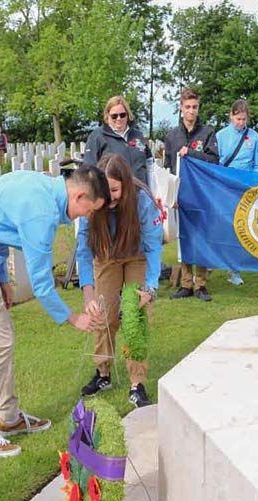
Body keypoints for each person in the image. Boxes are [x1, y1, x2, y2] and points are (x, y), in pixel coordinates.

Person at [0, 166, 109, 457]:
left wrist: (2, 278)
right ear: (78, 196)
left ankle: (10, 419)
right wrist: (73, 317)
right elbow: (42, 285)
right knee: (0, 341)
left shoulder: (44, 190)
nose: (87, 217)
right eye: (89, 210)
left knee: (3, 338)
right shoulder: (42, 212)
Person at [76, 154, 162, 408]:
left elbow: (153, 245)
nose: (110, 196)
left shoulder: (141, 199)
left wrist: (151, 287)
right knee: (106, 315)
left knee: (134, 315)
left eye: (114, 189)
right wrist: (88, 295)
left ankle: (137, 383)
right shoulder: (93, 201)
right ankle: (103, 373)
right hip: (106, 258)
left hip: (136, 256)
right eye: (106, 190)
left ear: (124, 184)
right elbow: (83, 250)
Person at [164, 87, 219, 301]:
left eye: (194, 107)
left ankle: (201, 284)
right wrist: (171, 196)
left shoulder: (208, 133)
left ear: (199, 107)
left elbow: (214, 160)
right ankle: (186, 283)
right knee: (184, 237)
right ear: (181, 108)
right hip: (181, 195)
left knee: (202, 237)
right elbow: (168, 168)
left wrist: (192, 153)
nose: (191, 111)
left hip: (202, 193)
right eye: (187, 107)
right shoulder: (172, 135)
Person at [216, 99, 258, 287]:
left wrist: (255, 184)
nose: (241, 123)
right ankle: (216, 263)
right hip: (226, 188)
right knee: (225, 227)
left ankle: (234, 269)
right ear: (231, 116)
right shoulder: (221, 136)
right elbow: (216, 163)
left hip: (246, 189)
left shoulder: (254, 137)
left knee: (243, 228)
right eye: (237, 118)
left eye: (244, 119)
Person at [83, 95, 153, 185]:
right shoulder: (97, 137)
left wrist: (153, 192)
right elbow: (89, 169)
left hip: (140, 192)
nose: (119, 118)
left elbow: (150, 166)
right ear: (107, 116)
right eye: (114, 116)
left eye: (122, 115)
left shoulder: (138, 135)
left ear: (128, 115)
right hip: (113, 194)